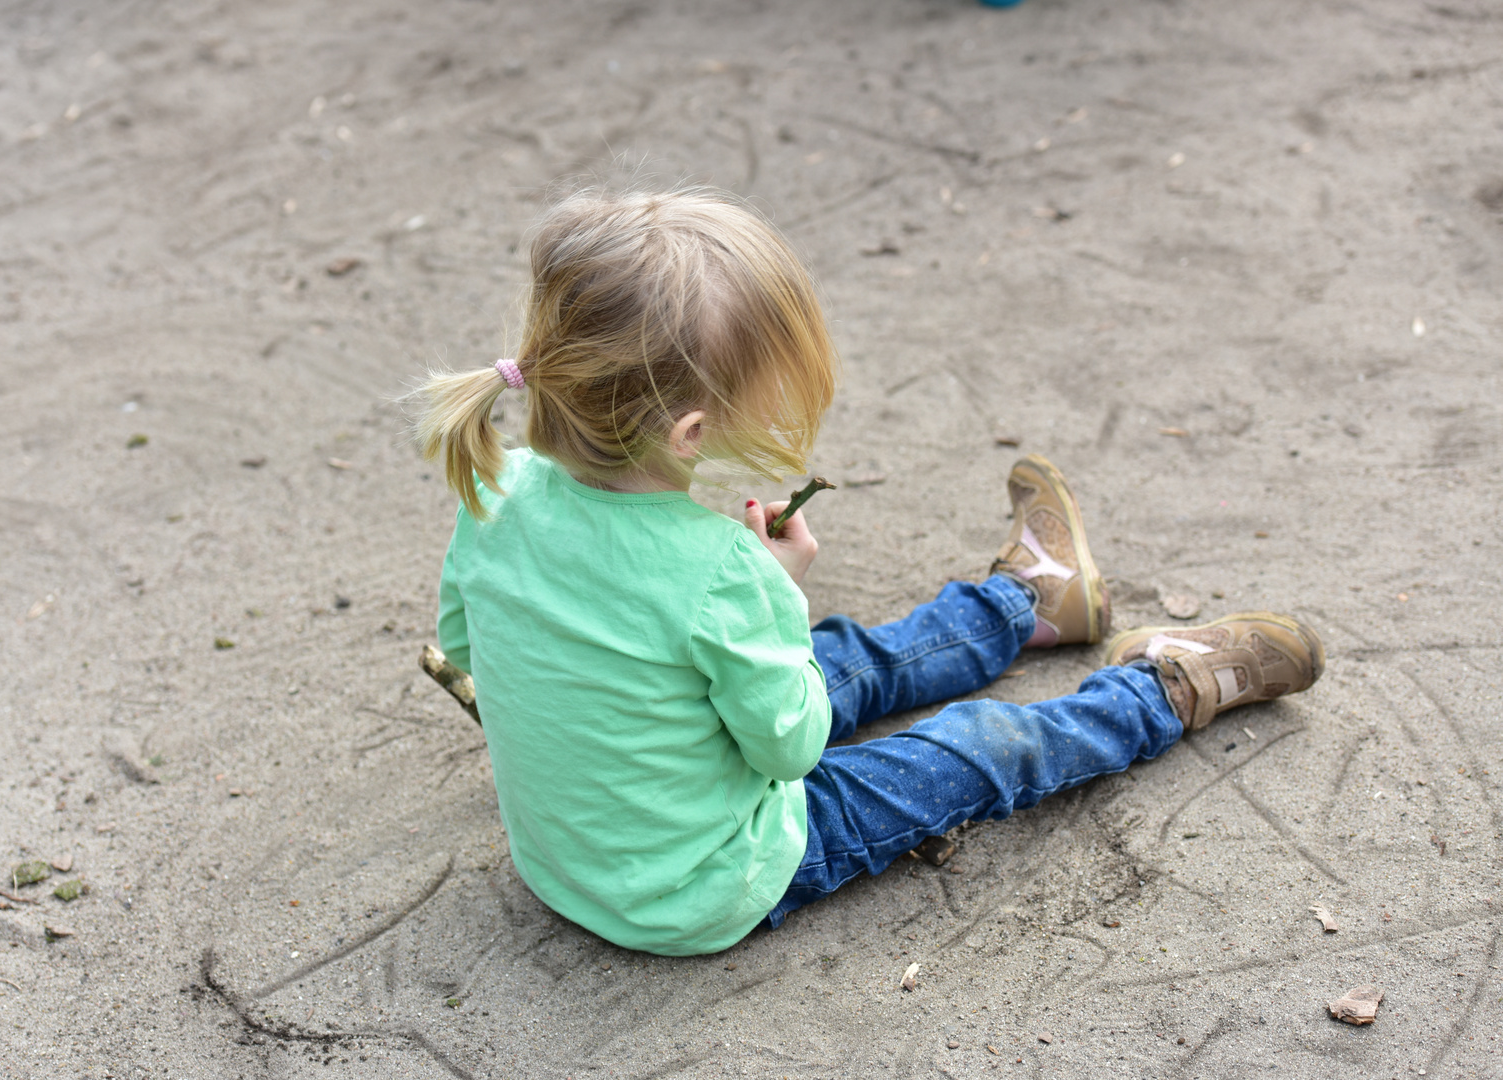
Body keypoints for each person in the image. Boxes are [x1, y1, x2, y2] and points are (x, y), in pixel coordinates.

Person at [410, 187, 1323, 957]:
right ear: (689, 432)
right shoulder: (722, 569)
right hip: (705, 886)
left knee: (842, 663)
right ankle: (1166, 689)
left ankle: (1029, 602)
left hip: (570, 863)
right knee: (966, 749)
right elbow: (790, 751)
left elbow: (467, 643)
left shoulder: (496, 488)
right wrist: (779, 597)